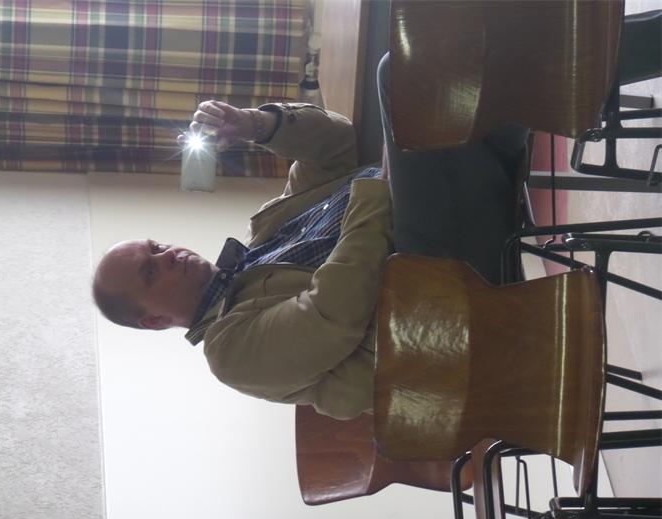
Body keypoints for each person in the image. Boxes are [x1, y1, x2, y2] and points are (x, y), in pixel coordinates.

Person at [93, 54, 528, 420]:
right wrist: (382, 187)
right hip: (437, 310)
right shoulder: (229, 353)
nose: (168, 255)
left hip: (442, 228)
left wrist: (255, 125)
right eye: (150, 272)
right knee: (403, 72)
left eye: (156, 247)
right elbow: (334, 313)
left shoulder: (263, 233)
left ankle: (555, 77)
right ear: (154, 321)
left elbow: (336, 146)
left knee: (442, 76)